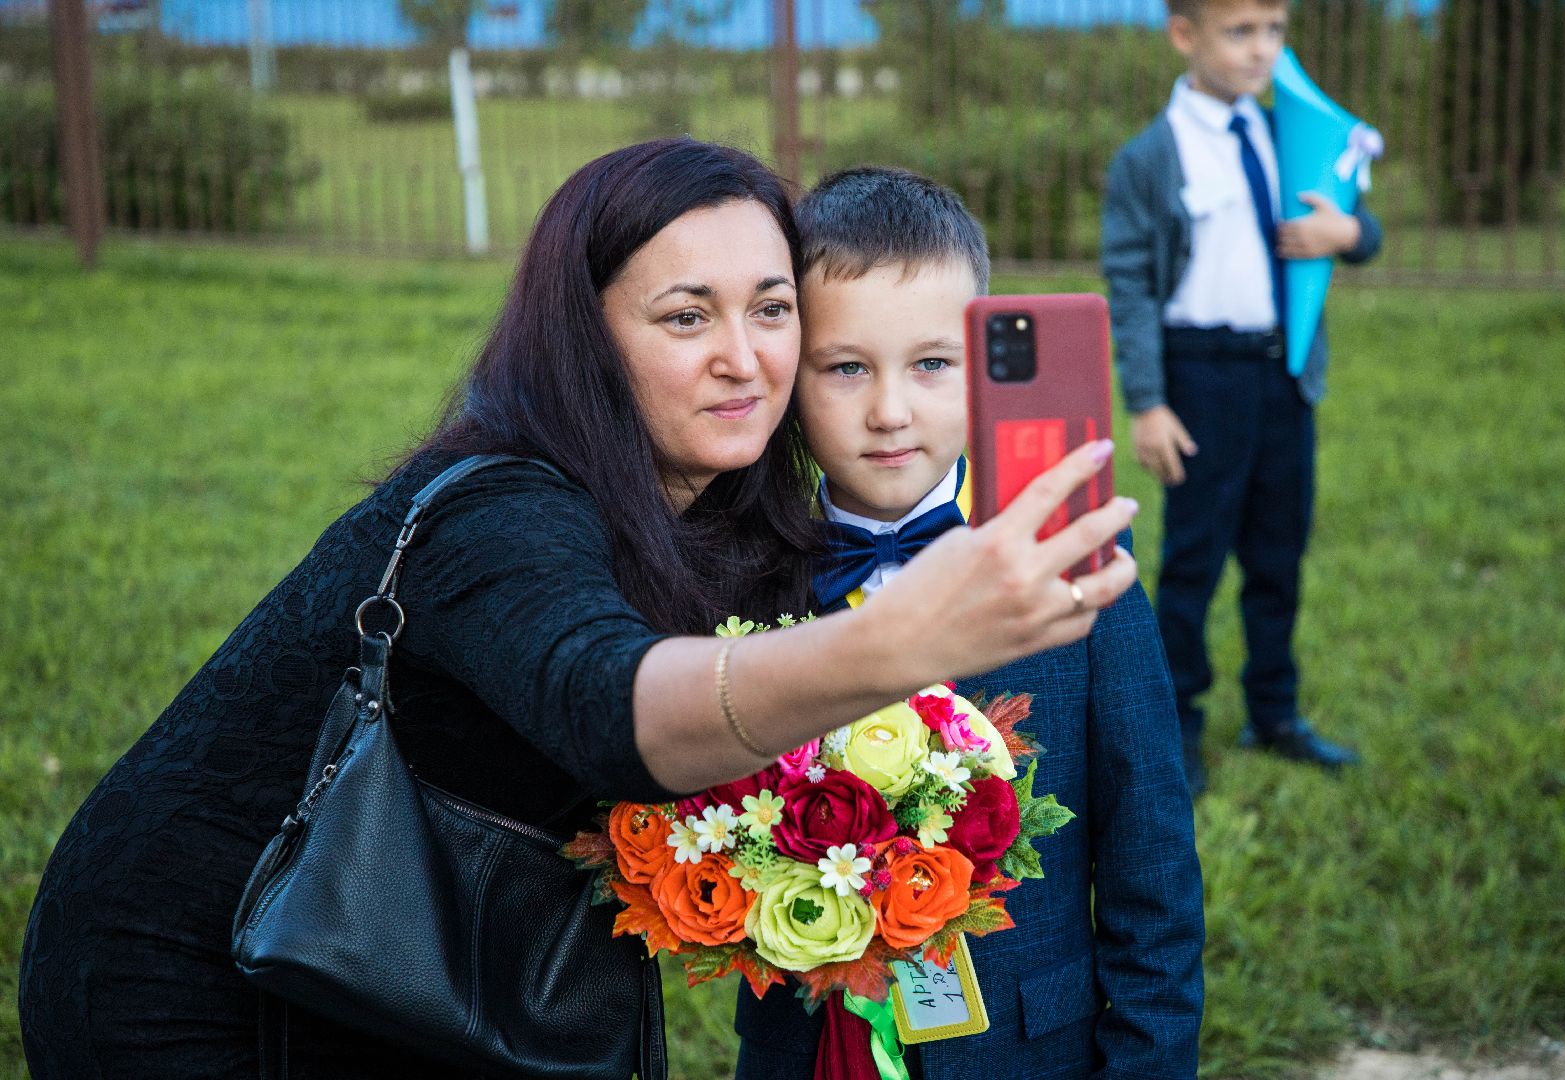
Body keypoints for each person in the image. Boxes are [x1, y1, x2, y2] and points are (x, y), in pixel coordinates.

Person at [17, 139, 1138, 1079]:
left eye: (773, 309)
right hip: (201, 970)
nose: (743, 359)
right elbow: (612, 704)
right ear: (583, 332)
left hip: (418, 954)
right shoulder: (502, 507)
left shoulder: (731, 516)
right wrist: (895, 643)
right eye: (686, 317)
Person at [732, 166, 1204, 1080]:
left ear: (983, 368)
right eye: (846, 368)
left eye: (932, 364)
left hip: (1031, 1052)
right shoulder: (749, 586)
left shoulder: (1078, 575)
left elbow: (1154, 877)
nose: (890, 411)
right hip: (806, 1054)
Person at [1102, 0, 1384, 797]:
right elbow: (1130, 288)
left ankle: (1275, 710)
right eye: (1239, 32)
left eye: (1274, 30)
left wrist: (1349, 237)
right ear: (1184, 34)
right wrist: (1149, 402)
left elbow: (1362, 224)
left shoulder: (1287, 130)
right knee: (1193, 557)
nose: (1262, 50)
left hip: (1281, 374)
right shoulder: (1151, 158)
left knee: (1278, 549)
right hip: (1201, 374)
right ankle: (1178, 718)